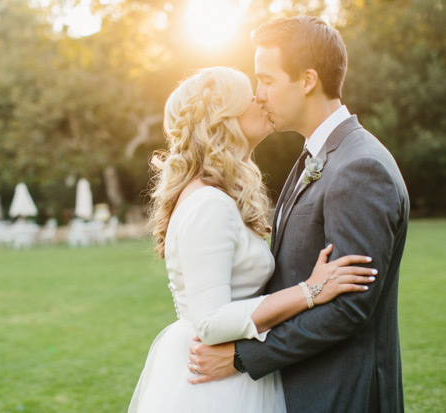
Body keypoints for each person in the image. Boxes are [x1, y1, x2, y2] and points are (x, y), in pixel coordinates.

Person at [188, 17, 409, 413]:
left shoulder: (360, 168)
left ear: (307, 80)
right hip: (304, 385)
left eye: (267, 80)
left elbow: (349, 307)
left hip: (340, 392)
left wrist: (242, 356)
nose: (259, 94)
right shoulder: (316, 156)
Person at [128, 66, 377, 413]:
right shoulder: (208, 204)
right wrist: (310, 290)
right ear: (222, 118)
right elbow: (211, 322)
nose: (261, 98)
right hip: (215, 385)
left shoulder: (217, 195)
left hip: (236, 371)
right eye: (249, 97)